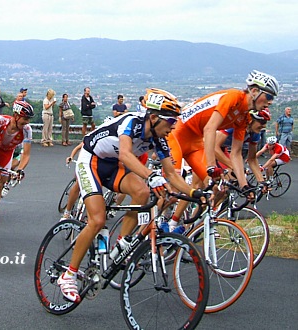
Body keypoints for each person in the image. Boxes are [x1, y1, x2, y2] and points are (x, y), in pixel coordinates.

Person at [57, 88, 203, 303]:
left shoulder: (159, 139)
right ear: (153, 118)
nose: (172, 129)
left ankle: (122, 244)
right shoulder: (132, 123)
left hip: (112, 165)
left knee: (142, 192)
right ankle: (68, 275)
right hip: (91, 160)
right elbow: (125, 154)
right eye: (170, 123)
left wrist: (193, 192)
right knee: (97, 220)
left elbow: (171, 173)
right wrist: (152, 176)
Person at [167, 70, 279, 231]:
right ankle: (149, 234)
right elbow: (210, 128)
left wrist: (244, 185)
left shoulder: (244, 117)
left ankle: (177, 228)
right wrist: (212, 165)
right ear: (254, 91)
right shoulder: (233, 97)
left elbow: (236, 153)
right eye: (269, 97)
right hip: (178, 134)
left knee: (212, 187)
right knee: (173, 188)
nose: (270, 102)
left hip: (195, 141)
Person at [215, 109, 270, 185]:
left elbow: (252, 159)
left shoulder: (254, 134)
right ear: (251, 120)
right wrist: (235, 167)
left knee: (230, 182)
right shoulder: (234, 125)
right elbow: (214, 147)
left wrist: (262, 182)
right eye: (262, 122)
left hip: (222, 149)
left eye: (266, 123)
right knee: (206, 182)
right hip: (204, 147)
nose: (264, 126)